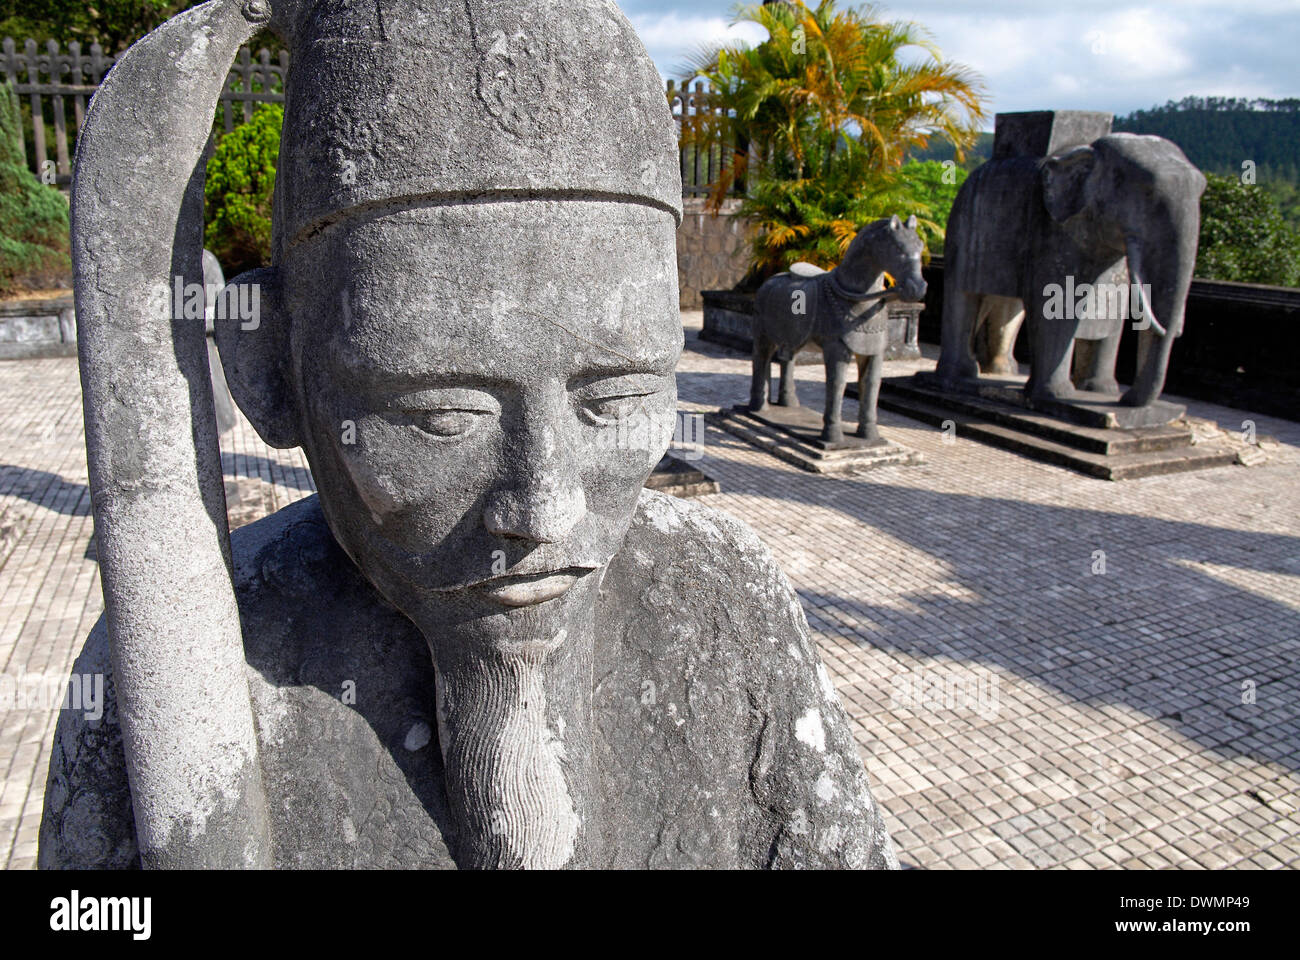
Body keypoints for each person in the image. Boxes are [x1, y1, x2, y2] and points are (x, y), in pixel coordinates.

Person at [40, 0, 897, 870]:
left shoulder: (726, 605)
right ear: (269, 370)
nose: (544, 507)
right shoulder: (164, 686)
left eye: (615, 397)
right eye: (440, 417)